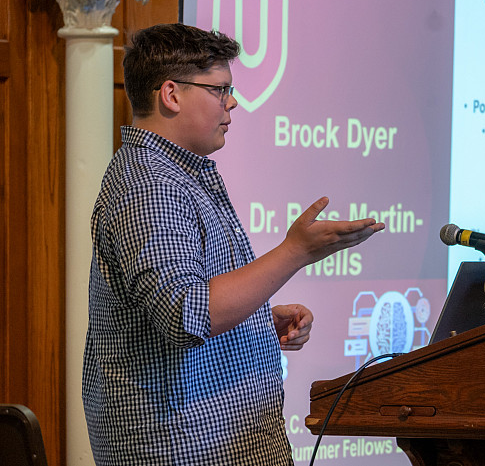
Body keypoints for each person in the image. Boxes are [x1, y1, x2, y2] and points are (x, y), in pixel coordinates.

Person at [82, 23, 384, 465]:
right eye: (220, 90)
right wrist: (295, 252)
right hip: (185, 448)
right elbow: (188, 313)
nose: (232, 102)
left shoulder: (177, 174)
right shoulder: (150, 185)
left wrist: (255, 321)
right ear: (171, 94)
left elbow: (188, 299)